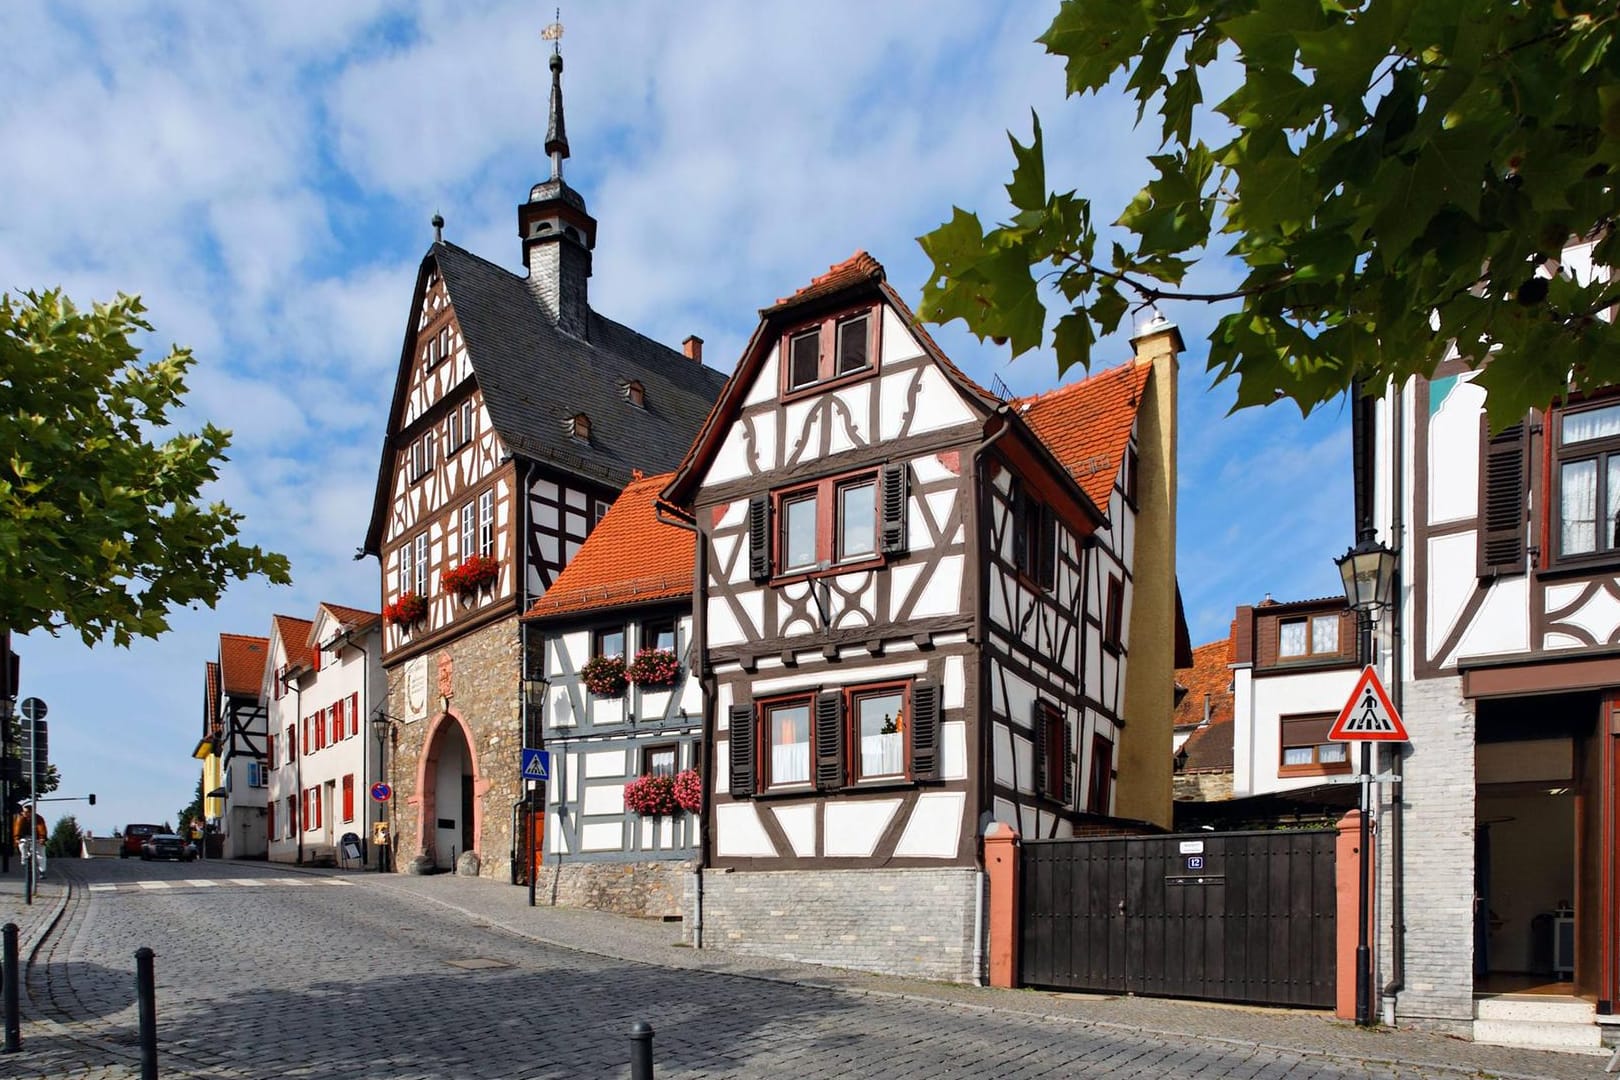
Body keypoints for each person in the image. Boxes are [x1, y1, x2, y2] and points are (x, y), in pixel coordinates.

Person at [12, 808, 47, 878]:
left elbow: (41, 828)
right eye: (23, 812)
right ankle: (24, 858)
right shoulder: (20, 818)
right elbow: (17, 829)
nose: (24, 813)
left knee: (40, 854)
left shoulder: (38, 818)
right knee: (22, 845)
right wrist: (17, 839)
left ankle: (42, 871)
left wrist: (42, 838)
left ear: (31, 812)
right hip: (24, 837)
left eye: (27, 812)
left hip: (37, 838)